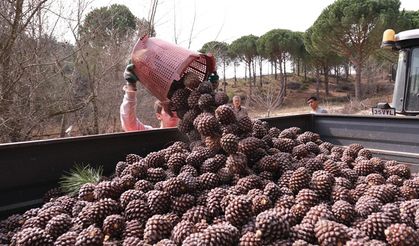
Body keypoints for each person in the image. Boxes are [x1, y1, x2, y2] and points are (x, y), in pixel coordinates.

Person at [120, 64, 179, 131]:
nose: (173, 113)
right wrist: (131, 86)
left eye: (176, 109)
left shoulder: (188, 134)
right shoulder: (150, 134)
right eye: (168, 109)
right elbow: (129, 125)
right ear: (158, 116)